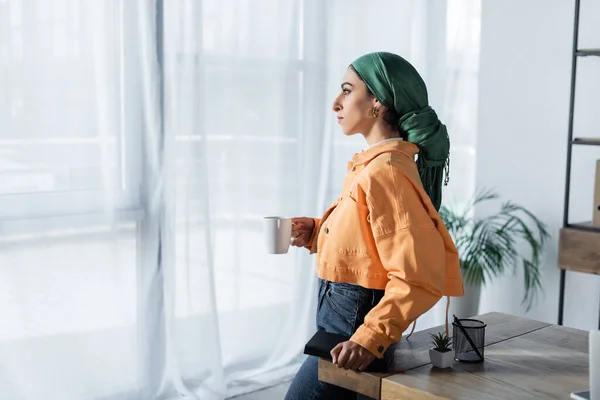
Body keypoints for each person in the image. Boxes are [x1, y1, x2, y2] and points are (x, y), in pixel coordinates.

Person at [283, 52, 465, 400]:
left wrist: (370, 338)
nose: (336, 103)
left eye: (347, 91)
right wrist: (319, 231)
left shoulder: (387, 174)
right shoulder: (375, 166)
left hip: (352, 330)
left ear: (377, 103)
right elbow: (373, 239)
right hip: (344, 323)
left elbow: (417, 274)